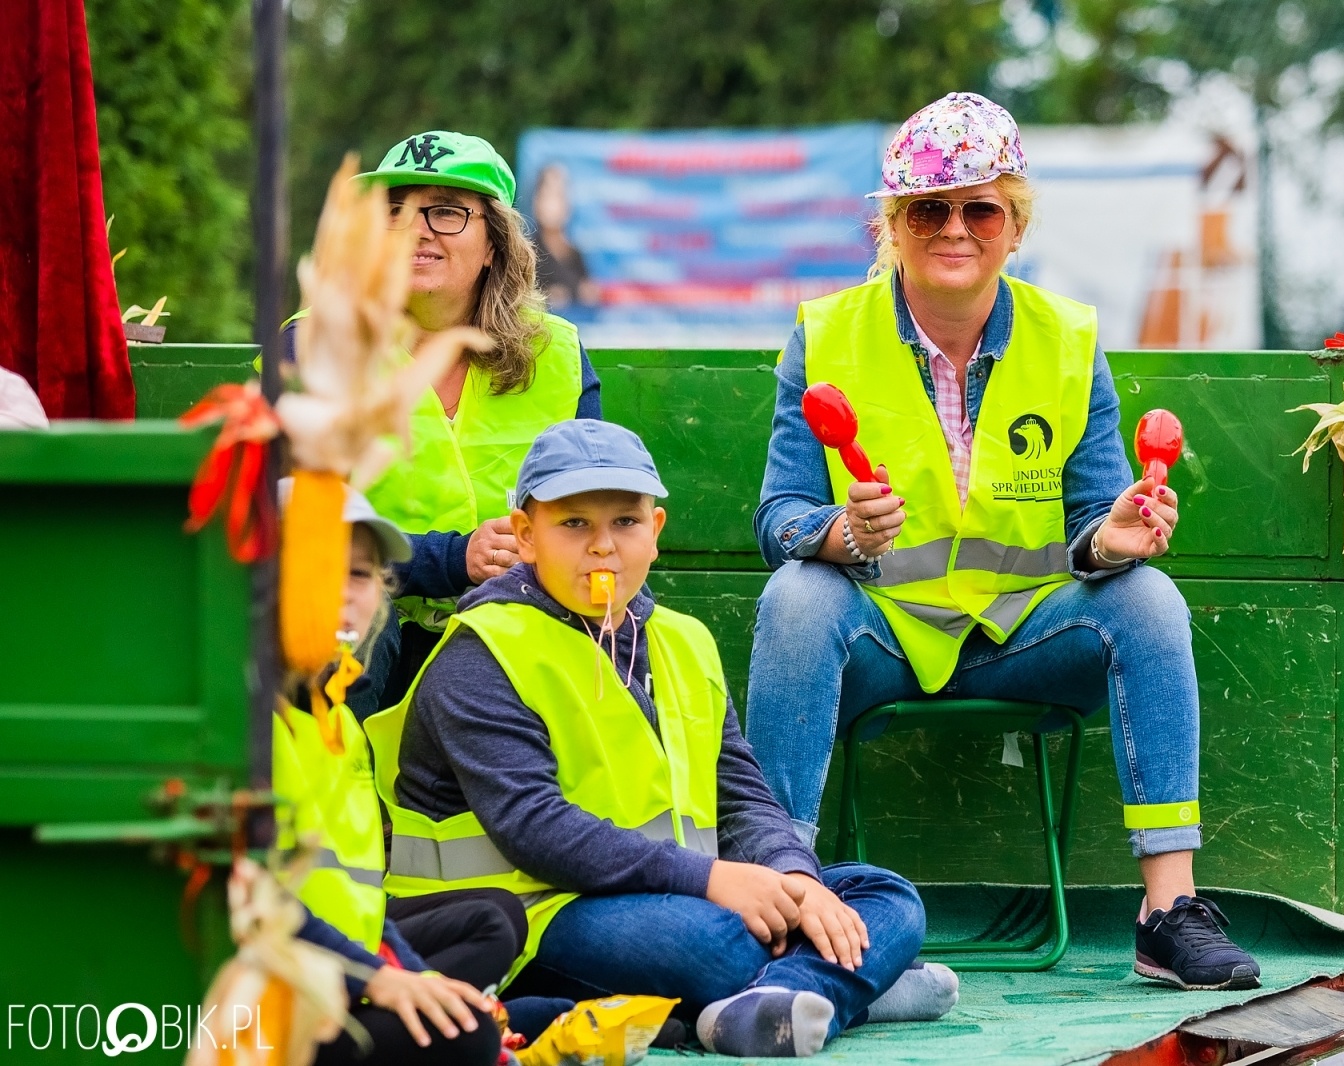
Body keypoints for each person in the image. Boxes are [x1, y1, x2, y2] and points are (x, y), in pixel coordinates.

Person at [744, 93, 1262, 991]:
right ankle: (783, 896)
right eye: (927, 209)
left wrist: (1116, 539)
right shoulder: (823, 335)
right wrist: (833, 532)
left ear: (1014, 224)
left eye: (979, 207)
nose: (955, 228)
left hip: (1023, 636)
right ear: (892, 226)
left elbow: (1086, 529)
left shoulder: (1070, 341)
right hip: (882, 635)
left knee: (1149, 600)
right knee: (795, 595)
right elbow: (777, 515)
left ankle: (1166, 912)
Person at [363, 421, 959, 1059]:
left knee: (883, 893)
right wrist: (717, 880)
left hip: (671, 888)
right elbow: (535, 827)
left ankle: (788, 998)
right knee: (713, 943)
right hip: (527, 915)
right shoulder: (484, 651)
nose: (602, 548)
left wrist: (792, 876)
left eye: (625, 522)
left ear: (657, 531)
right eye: (573, 525)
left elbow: (742, 798)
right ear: (526, 535)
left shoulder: (684, 640)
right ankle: (850, 983)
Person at [285, 131, 604, 712]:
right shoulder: (314, 341)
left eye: (448, 212)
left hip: (508, 625)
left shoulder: (556, 355)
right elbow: (288, 516)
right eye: (395, 212)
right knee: (341, 628)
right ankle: (326, 803)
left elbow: (593, 513)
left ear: (494, 246)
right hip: (362, 619)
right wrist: (454, 559)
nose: (418, 229)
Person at [273, 480, 532, 1065]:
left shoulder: (335, 717)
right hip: (260, 998)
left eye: (361, 574)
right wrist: (378, 981)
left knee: (488, 934)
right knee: (466, 1037)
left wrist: (414, 979)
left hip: (333, 971)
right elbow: (247, 905)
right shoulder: (245, 716)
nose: (342, 594)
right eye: (314, 567)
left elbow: (355, 903)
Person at [530, 164, 599, 309]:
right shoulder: (526, 253)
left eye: (560, 195)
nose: (554, 204)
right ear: (536, 201)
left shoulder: (575, 254)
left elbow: (589, 293)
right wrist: (546, 296)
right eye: (548, 194)